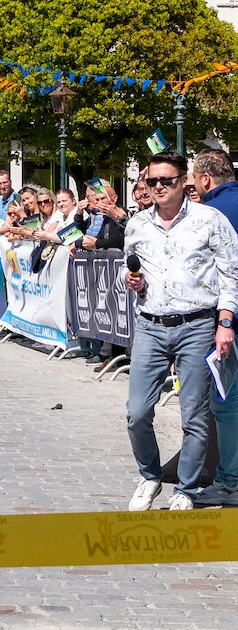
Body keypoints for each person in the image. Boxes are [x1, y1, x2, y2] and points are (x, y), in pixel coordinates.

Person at [123, 151, 238, 511]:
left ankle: (185, 489)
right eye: (151, 181)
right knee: (137, 411)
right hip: (151, 324)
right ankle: (150, 475)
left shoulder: (210, 219)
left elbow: (230, 274)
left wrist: (225, 323)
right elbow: (127, 271)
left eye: (166, 181)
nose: (158, 187)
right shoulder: (138, 224)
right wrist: (130, 281)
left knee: (195, 415)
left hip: (198, 325)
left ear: (183, 182)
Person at [191, 149, 238, 506]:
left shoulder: (211, 214)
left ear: (205, 179)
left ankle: (230, 480)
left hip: (228, 320)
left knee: (226, 400)